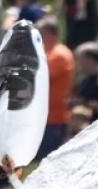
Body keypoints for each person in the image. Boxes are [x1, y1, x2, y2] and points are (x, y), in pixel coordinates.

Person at [39, 18, 77, 160]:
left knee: (47, 159)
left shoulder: (59, 54)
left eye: (41, 32)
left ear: (49, 33)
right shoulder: (48, 53)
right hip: (46, 117)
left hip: (55, 117)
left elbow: (42, 78)